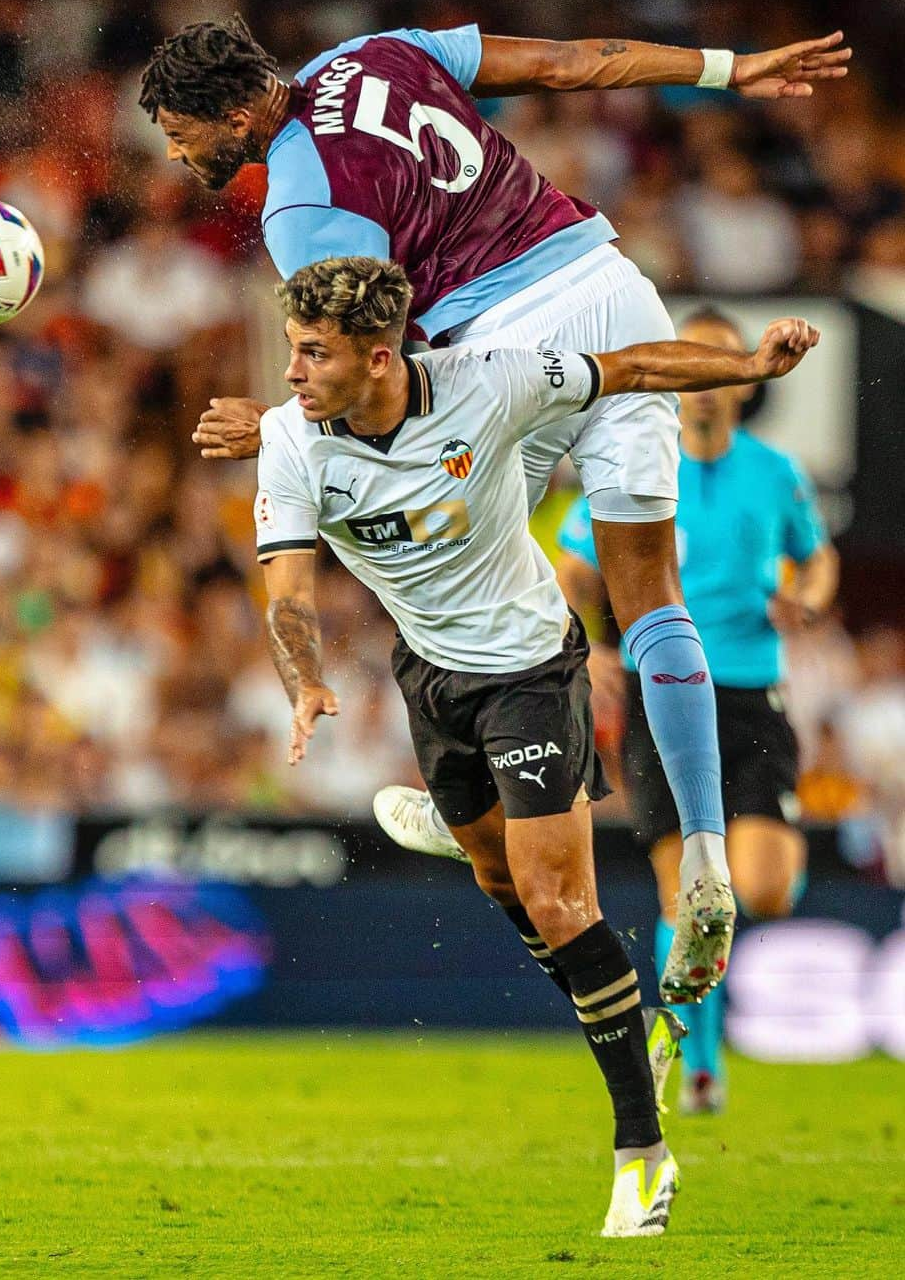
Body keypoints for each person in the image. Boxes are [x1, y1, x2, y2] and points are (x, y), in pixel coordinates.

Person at [140, 13, 849, 999]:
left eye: (182, 132)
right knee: (650, 595)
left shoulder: (302, 209)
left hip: (502, 347)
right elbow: (570, 61)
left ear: (235, 109)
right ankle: (703, 854)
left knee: (440, 573)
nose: (177, 153)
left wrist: (276, 427)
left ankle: (472, 795)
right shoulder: (380, 52)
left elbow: (365, 359)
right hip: (612, 284)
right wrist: (731, 63)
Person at [252, 255, 820, 1234]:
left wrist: (750, 371)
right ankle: (586, 961)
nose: (292, 371)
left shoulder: (496, 380)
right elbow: (290, 591)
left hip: (530, 669)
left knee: (561, 903)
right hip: (429, 678)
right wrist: (304, 681)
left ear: (381, 357)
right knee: (506, 886)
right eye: (293, 350)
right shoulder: (289, 440)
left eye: (312, 353)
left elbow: (632, 367)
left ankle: (642, 1153)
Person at [553, 307, 839, 1111]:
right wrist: (596, 645)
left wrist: (808, 604)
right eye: (694, 367)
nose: (705, 386)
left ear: (741, 383)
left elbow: (818, 563)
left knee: (762, 889)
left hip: (750, 689)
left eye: (721, 367)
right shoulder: (639, 469)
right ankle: (698, 1063)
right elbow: (575, 566)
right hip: (662, 692)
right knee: (683, 892)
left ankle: (695, 1033)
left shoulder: (776, 474)